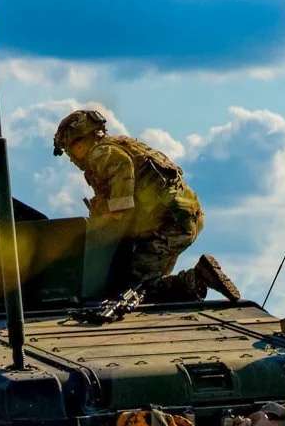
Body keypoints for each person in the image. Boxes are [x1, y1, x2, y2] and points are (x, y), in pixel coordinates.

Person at [51, 109, 237, 303]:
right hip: (186, 218)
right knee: (151, 283)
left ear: (79, 143)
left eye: (68, 150)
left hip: (169, 225)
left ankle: (198, 278)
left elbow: (120, 208)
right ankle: (195, 282)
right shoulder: (120, 144)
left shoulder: (101, 153)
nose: (70, 158)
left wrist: (103, 211)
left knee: (135, 289)